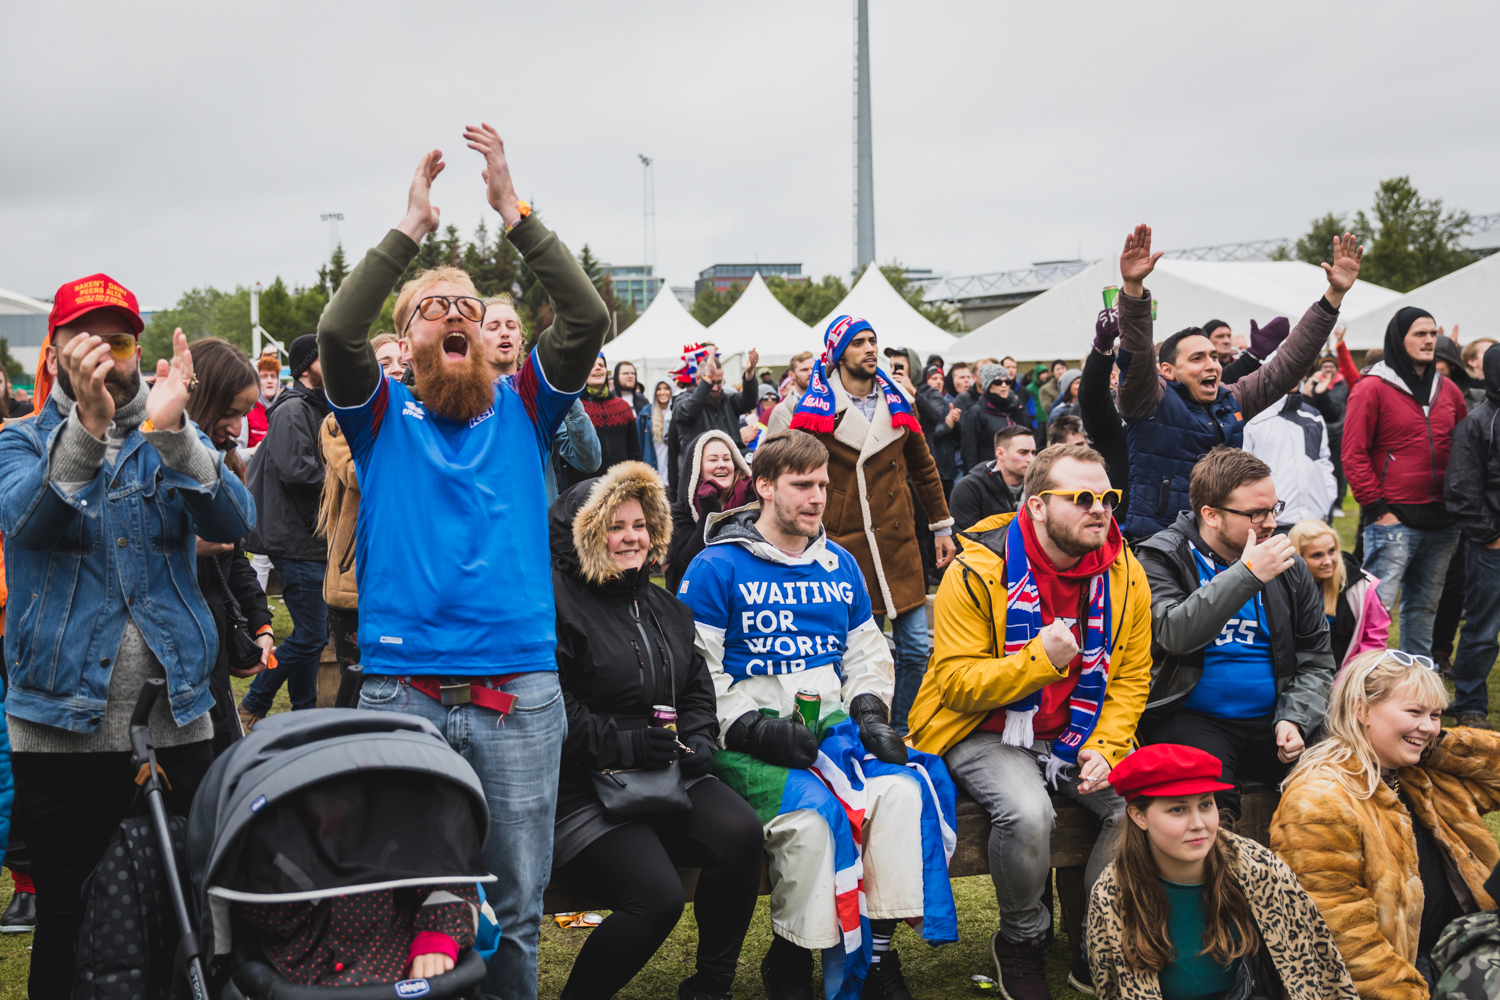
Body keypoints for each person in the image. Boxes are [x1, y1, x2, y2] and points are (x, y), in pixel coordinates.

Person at [324, 128, 608, 998]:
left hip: (520, 694)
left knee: (515, 906)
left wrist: (512, 211)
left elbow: (589, 317)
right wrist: (409, 231)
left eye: (466, 307)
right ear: (405, 342)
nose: (452, 313)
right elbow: (338, 328)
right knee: (404, 902)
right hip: (401, 691)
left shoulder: (526, 402)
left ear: (488, 338)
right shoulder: (379, 419)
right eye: (429, 308)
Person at [0, 273, 253, 998]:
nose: (106, 354)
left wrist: (173, 434)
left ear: (139, 349)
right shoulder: (19, 440)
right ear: (54, 351)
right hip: (59, 729)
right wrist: (86, 425)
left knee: (185, 912)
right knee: (71, 915)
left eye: (120, 339)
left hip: (178, 721)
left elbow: (233, 524)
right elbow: (29, 521)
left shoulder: (171, 429)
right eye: (87, 338)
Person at [677, 430, 958, 1000]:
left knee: (903, 793)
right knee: (813, 825)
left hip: (829, 733)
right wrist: (752, 726)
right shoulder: (715, 566)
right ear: (763, 487)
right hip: (747, 744)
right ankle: (792, 956)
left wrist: (870, 709)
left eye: (823, 485)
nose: (816, 497)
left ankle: (877, 956)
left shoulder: (840, 563)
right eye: (801, 485)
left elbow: (866, 652)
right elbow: (695, 672)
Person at [908, 443, 1151, 1000]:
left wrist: (1108, 747)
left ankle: (1098, 938)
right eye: (1083, 498)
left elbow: (1133, 675)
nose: (1101, 510)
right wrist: (1040, 659)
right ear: (1038, 506)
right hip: (984, 729)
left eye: (1108, 497)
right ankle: (1022, 939)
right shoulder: (976, 568)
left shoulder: (1123, 570)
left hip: (1079, 730)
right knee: (1027, 814)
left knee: (1138, 803)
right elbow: (956, 684)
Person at [549, 461, 763, 1000]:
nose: (631, 538)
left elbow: (695, 684)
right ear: (587, 533)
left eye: (640, 524)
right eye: (615, 526)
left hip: (664, 769)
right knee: (657, 895)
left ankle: (712, 982)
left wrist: (700, 739)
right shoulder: (555, 603)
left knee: (741, 833)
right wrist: (627, 744)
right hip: (582, 783)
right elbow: (551, 709)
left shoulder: (663, 603)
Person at [1272, 649, 1500, 996]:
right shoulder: (1320, 799)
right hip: (1408, 980)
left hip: (1463, 953)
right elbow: (1346, 941)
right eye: (1414, 711)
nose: (1429, 725)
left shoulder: (1418, 776)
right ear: (1361, 710)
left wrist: (1432, 742)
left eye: (1436, 715)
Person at [1115, 225, 1360, 540]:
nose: (1212, 365)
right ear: (1167, 370)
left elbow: (1288, 364)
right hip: (1160, 543)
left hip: (1223, 542)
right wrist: (1133, 289)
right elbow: (1135, 356)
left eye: (1214, 357)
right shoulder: (1150, 401)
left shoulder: (1232, 400)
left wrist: (1333, 297)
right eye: (1197, 358)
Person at [1135, 447, 1335, 819]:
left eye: (1274, 508)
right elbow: (1173, 634)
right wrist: (1247, 574)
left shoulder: (1286, 563)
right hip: (1191, 714)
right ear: (1210, 515)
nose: (1272, 523)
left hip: (1274, 716)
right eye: (1256, 514)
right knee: (1209, 809)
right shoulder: (1161, 557)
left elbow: (1317, 660)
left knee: (1339, 789)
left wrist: (1295, 716)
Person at [1085, 743, 1357, 1000]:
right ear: (1138, 816)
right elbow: (1111, 988)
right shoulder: (1111, 896)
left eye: (1206, 804)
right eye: (1178, 809)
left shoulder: (1262, 872)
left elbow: (1313, 974)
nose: (1198, 824)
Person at [788, 316, 955, 733]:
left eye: (872, 341)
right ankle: (864, 730)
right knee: (859, 654)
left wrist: (941, 526)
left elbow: (923, 466)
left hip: (899, 542)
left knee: (916, 647)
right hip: (847, 546)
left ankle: (901, 729)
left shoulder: (899, 398)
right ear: (839, 353)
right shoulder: (814, 408)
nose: (869, 349)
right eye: (859, 342)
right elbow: (793, 472)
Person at [1342, 306, 1467, 660]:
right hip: (1392, 520)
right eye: (1420, 333)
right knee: (1375, 610)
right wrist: (1379, 509)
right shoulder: (1372, 388)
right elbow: (1353, 453)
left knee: (1423, 609)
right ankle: (1363, 680)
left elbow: (1464, 449)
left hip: (1443, 523)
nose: (1430, 340)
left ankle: (1416, 681)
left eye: (1432, 333)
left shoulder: (1449, 390)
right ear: (1399, 339)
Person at [185, 339, 276, 754]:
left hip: (214, 652)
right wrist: (187, 547)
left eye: (245, 413)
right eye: (230, 413)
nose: (238, 428)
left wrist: (261, 623)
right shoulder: (153, 460)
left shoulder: (225, 462)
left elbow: (235, 555)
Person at [240, 333, 330, 728]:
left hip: (307, 537)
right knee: (313, 635)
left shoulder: (315, 405)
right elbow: (299, 471)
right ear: (308, 365)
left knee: (311, 633)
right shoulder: (291, 410)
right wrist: (347, 480)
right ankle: (256, 700)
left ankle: (304, 713)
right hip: (293, 538)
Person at [482, 295, 600, 505]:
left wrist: (567, 390)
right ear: (475, 339)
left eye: (511, 326)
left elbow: (588, 461)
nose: (505, 332)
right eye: (493, 327)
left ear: (520, 339)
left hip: (537, 525)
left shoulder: (538, 394)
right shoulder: (461, 400)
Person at [1444, 341, 1500, 729]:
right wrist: (1491, 535)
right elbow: (1461, 490)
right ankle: (1470, 701)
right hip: (1490, 546)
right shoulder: (1479, 422)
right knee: (1483, 628)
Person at [1286, 520, 1390, 669]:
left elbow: (1374, 636)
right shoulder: (1279, 587)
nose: (1328, 561)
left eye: (1332, 551)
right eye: (1317, 555)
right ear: (1298, 558)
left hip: (1345, 671)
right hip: (1295, 671)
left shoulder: (1359, 586)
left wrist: (1354, 673)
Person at [665, 429, 753, 594]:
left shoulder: (753, 502)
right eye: (713, 459)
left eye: (727, 459)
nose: (722, 464)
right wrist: (709, 511)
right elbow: (686, 561)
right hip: (696, 596)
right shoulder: (679, 512)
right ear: (697, 468)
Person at [667, 344, 760, 493]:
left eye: (719, 382)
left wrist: (749, 375)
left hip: (730, 479)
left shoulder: (727, 400)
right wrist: (707, 381)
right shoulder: (682, 400)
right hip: (697, 483)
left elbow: (748, 402)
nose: (716, 388)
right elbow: (688, 412)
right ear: (698, 379)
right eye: (711, 382)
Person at [1242, 391, 1336, 529]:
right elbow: (1242, 473)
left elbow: (1324, 462)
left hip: (1316, 520)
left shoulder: (1313, 415)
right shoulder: (1253, 417)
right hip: (1274, 523)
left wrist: (1327, 500)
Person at [557, 354, 640, 491]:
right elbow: (562, 456)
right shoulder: (571, 409)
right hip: (582, 491)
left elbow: (635, 454)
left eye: (601, 365)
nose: (598, 369)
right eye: (592, 365)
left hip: (620, 489)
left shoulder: (623, 407)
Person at [949, 425, 1035, 534]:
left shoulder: (1037, 487)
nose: (1031, 459)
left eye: (1033, 453)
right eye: (1023, 452)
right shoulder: (969, 489)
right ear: (1000, 454)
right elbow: (965, 541)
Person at [1301, 352, 1350, 516]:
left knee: (1338, 468)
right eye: (1325, 366)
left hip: (1339, 430)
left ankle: (1337, 504)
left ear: (1336, 368)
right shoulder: (1314, 383)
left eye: (1331, 366)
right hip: (1319, 431)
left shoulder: (1344, 384)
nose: (1328, 369)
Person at [961, 363, 1027, 474]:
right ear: (988, 385)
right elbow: (969, 453)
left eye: (1007, 382)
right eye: (998, 382)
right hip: (988, 475)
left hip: (1015, 473)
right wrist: (976, 479)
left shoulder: (1013, 408)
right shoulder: (976, 412)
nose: (1004, 385)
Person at [916, 361, 960, 495]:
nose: (939, 382)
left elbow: (957, 438)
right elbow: (927, 435)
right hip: (933, 467)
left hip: (949, 470)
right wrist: (947, 426)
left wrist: (956, 423)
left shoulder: (948, 403)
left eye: (941, 378)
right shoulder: (922, 405)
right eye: (934, 378)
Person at [639, 379, 675, 481]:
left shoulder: (678, 412)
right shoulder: (645, 413)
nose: (662, 392)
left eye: (666, 388)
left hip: (672, 468)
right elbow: (639, 443)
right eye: (659, 389)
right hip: (651, 465)